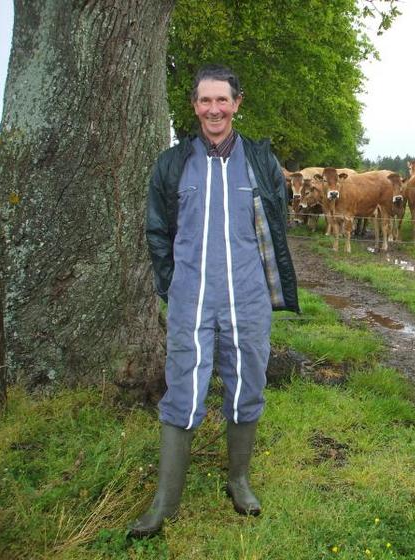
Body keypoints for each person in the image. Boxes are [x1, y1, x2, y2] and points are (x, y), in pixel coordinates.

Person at [129, 64, 299, 538]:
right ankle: (165, 503)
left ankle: (239, 480)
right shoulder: (172, 164)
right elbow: (157, 232)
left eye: (222, 100)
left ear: (237, 103)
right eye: (205, 101)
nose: (214, 109)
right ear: (194, 107)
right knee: (183, 391)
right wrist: (174, 288)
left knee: (248, 384)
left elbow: (276, 230)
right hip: (192, 301)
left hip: (248, 300)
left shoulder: (261, 162)